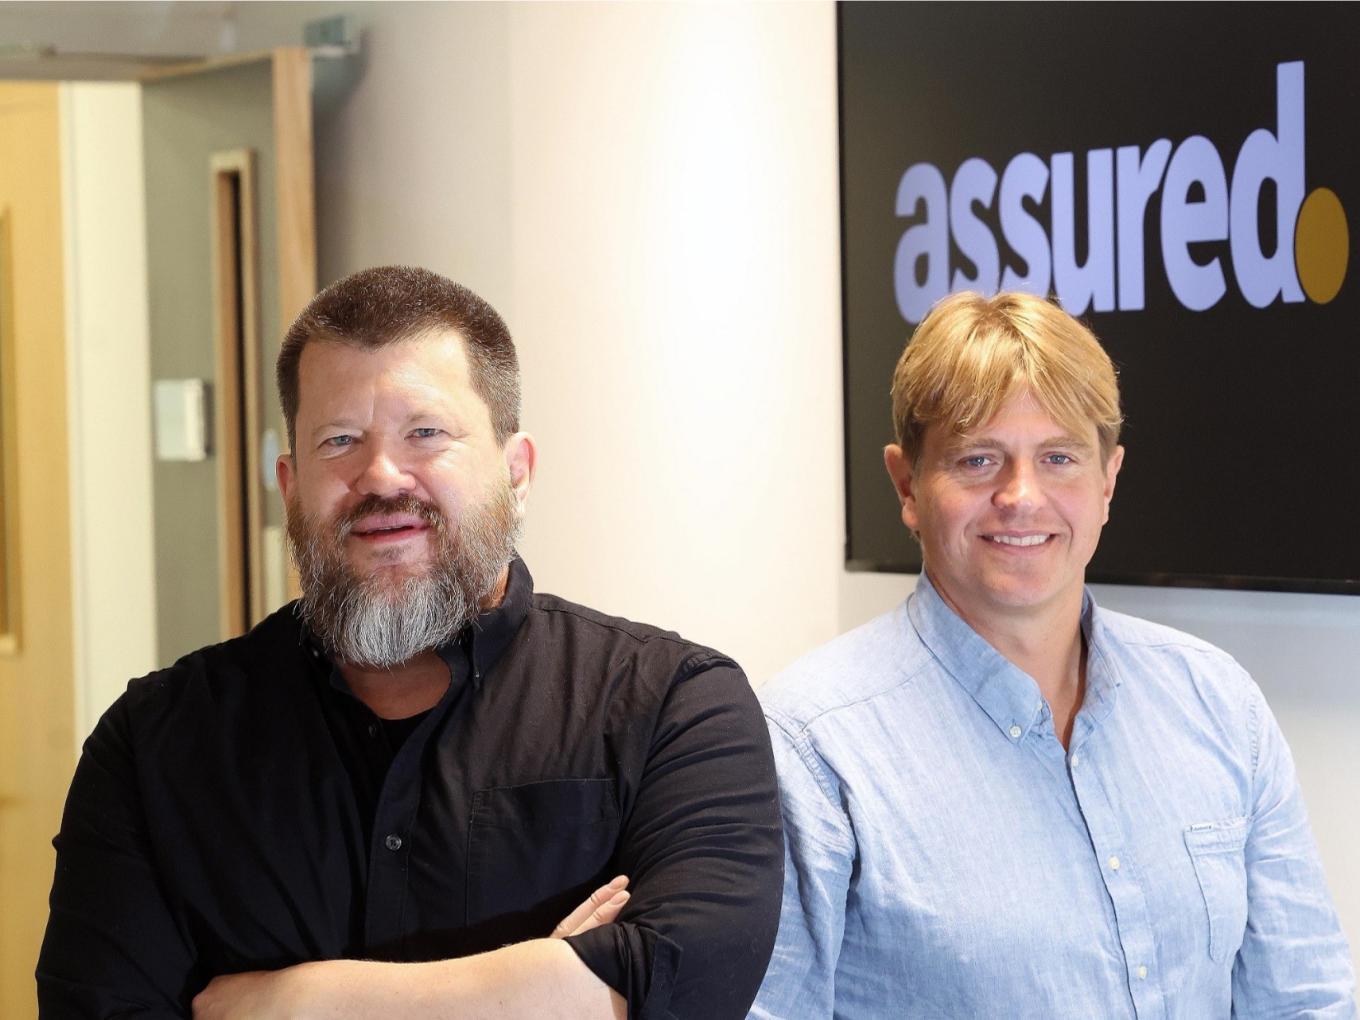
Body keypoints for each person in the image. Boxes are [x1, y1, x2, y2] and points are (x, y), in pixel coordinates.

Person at [39, 266, 783, 1019]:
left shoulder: (674, 706)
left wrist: (296, 1001)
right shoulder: (155, 744)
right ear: (291, 485)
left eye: (425, 433)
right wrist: (547, 983)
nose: (381, 476)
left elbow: (692, 984)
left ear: (516, 471)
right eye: (340, 441)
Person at [749, 291, 1355, 1018]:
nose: (1022, 497)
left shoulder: (1217, 702)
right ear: (908, 486)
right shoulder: (811, 749)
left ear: (1108, 480)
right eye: (977, 460)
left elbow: (1306, 1002)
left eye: (1059, 457)